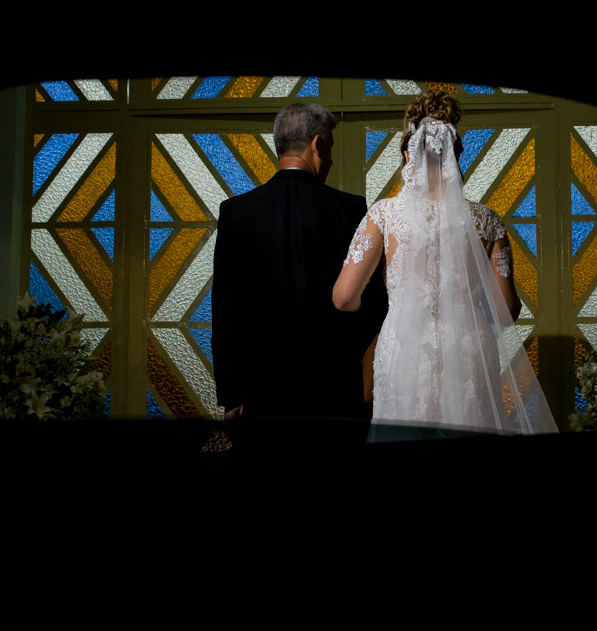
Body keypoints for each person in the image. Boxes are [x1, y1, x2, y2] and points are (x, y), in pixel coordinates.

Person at [333, 93, 557, 438]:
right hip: (469, 352)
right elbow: (506, 313)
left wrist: (384, 304)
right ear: (455, 157)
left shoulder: (383, 215)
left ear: (408, 155)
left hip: (405, 351)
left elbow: (343, 298)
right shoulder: (486, 221)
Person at [211, 103, 387, 428]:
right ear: (318, 144)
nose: (330, 159)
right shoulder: (351, 210)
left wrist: (231, 394)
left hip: (262, 393)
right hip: (335, 391)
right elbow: (374, 303)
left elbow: (226, 311)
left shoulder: (235, 212)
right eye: (330, 147)